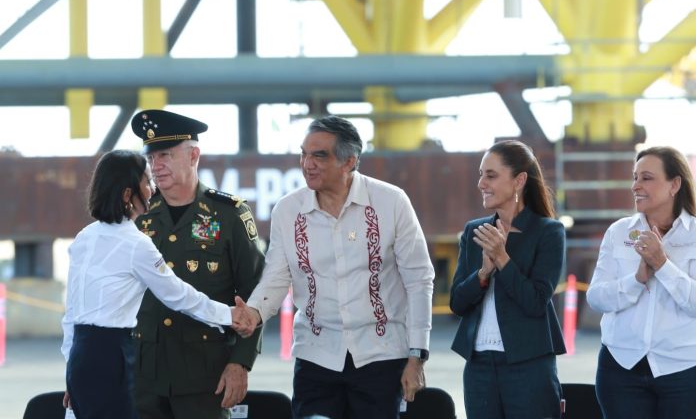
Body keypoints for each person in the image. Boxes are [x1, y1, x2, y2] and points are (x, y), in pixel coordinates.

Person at [232, 115, 435, 419]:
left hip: (381, 355)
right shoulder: (288, 210)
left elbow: (419, 280)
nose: (307, 164)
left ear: (349, 161)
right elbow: (276, 277)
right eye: (304, 154)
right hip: (316, 356)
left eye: (320, 155)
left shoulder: (391, 202)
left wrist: (417, 356)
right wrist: (254, 312)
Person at [61, 150, 238, 419]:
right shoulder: (136, 244)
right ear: (127, 194)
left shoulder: (84, 237)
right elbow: (178, 295)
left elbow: (71, 313)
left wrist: (71, 370)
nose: (153, 188)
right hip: (112, 354)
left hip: (81, 355)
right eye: (146, 181)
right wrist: (229, 315)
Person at [129, 109, 265, 418]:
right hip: (143, 374)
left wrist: (241, 362)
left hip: (205, 375)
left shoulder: (229, 214)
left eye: (165, 155)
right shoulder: (138, 216)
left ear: (194, 155)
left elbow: (255, 291)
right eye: (151, 158)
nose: (156, 166)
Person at [449, 140, 566, 419]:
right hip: (478, 366)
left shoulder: (548, 232)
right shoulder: (474, 231)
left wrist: (502, 259)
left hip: (529, 365)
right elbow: (457, 303)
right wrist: (482, 273)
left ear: (519, 181)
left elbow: (535, 302)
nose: (481, 183)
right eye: (481, 175)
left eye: (491, 175)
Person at [587, 146, 696, 418]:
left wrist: (662, 265)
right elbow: (595, 298)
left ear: (674, 185)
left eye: (646, 178)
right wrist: (636, 280)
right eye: (635, 177)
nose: (635, 186)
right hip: (620, 369)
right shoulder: (618, 232)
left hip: (683, 370)